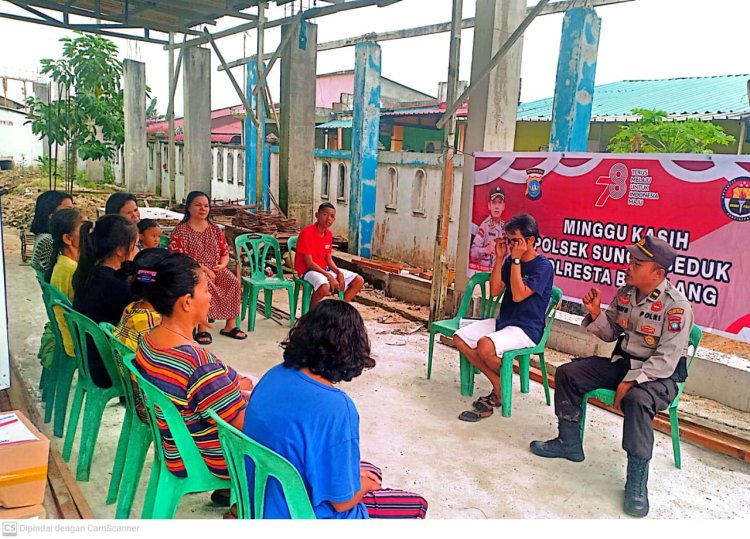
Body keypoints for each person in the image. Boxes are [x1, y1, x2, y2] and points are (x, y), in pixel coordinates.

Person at [530, 236, 694, 518]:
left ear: (658, 273)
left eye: (637, 263)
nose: (629, 267)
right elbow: (610, 334)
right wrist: (595, 314)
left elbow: (666, 360)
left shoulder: (676, 307)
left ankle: (637, 482)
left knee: (638, 400)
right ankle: (569, 443)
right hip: (624, 364)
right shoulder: (627, 293)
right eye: (630, 261)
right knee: (570, 373)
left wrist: (630, 382)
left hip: (660, 377)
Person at [243, 300, 428, 519]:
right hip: (301, 512)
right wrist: (364, 486)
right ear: (351, 349)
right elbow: (341, 503)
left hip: (261, 501)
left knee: (370, 471)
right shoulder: (337, 408)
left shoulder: (274, 374)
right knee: (416, 503)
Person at [133, 252, 252, 506]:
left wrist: (232, 387)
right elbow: (244, 425)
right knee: (292, 443)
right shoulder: (196, 364)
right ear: (187, 302)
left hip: (176, 446)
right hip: (208, 456)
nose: (211, 297)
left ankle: (231, 496)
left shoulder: (149, 340)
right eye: (206, 290)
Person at [454, 213, 554, 422]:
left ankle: (502, 384)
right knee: (460, 337)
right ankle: (499, 383)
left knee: (485, 346)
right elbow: (495, 291)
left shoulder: (543, 267)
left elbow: (518, 295)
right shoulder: (510, 260)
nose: (511, 245)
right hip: (505, 322)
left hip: (527, 329)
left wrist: (515, 260)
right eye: (509, 241)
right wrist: (500, 259)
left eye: (515, 241)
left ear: (531, 240)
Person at [169, 191, 245, 344]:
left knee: (233, 283)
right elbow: (179, 258)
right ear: (189, 208)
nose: (202, 209)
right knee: (204, 286)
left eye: (206, 206)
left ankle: (230, 325)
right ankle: (201, 328)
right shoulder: (181, 231)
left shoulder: (215, 229)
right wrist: (203, 269)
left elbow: (224, 252)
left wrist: (222, 265)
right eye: (198, 205)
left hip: (215, 268)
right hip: (191, 269)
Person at [72, 215, 138, 387]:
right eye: (134, 246)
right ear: (120, 250)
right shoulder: (115, 285)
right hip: (106, 368)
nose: (136, 250)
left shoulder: (90, 272)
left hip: (90, 359)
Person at [294, 202, 364, 309]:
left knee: (358, 280)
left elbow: (328, 258)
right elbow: (309, 262)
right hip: (307, 270)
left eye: (332, 216)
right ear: (317, 215)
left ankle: (338, 312)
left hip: (323, 269)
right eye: (325, 215)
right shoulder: (307, 232)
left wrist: (338, 272)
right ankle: (311, 317)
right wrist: (329, 276)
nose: (328, 219)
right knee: (324, 287)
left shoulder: (329, 234)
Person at [45, 208, 84, 360]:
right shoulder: (71, 268)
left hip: (67, 334)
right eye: (84, 229)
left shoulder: (63, 262)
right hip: (74, 340)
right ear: (68, 239)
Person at [30, 190, 74, 274]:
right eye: (68, 211)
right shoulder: (49, 241)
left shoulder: (46, 237)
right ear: (51, 215)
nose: (73, 215)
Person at [469, 185, 506, 272]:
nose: (497, 206)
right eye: (494, 202)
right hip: (485, 274)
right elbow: (473, 253)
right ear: (489, 205)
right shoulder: (484, 227)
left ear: (503, 206)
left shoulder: (506, 228)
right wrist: (486, 250)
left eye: (500, 202)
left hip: (500, 275)